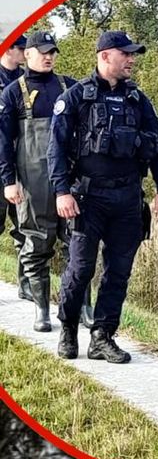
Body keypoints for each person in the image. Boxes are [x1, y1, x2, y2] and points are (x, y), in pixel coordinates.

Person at [48, 30, 158, 363]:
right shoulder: (75, 97)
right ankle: (68, 328)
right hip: (88, 199)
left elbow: (157, 146)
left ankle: (102, 336)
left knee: (119, 271)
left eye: (132, 55)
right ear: (105, 56)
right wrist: (61, 190)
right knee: (80, 269)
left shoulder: (139, 100)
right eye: (125, 54)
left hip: (129, 199)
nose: (131, 60)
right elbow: (56, 148)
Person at [0, 31, 78, 332]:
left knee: (75, 241)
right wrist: (9, 180)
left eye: (53, 52)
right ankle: (42, 310)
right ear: (27, 55)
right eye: (42, 52)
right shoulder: (12, 93)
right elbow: (4, 143)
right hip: (31, 179)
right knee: (36, 242)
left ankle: (79, 306)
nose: (49, 57)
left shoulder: (68, 87)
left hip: (67, 178)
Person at [1, 33, 28, 297]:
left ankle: (26, 284)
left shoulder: (26, 81)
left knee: (24, 226)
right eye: (22, 48)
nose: (26, 52)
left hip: (23, 162)